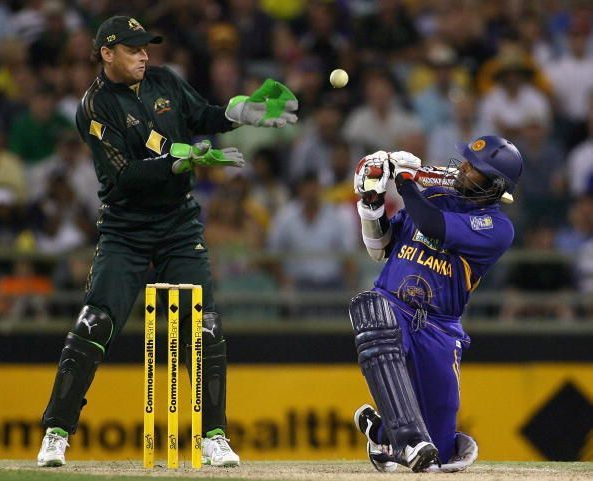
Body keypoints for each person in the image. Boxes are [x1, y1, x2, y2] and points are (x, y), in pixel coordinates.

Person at [36, 15, 298, 468]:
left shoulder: (164, 81)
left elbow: (202, 117)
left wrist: (238, 113)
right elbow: (122, 178)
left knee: (207, 327)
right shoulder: (95, 106)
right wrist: (178, 164)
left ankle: (213, 436)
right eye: (134, 49)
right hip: (126, 230)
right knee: (94, 324)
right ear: (106, 53)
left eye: (146, 48)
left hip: (179, 225)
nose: (145, 55)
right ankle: (57, 432)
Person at [350, 135, 523, 472]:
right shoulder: (433, 195)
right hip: (393, 303)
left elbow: (434, 226)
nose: (463, 169)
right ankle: (408, 439)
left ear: (493, 185)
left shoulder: (497, 228)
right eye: (467, 161)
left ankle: (381, 431)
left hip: (440, 326)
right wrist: (371, 203)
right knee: (376, 315)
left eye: (475, 169)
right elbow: (380, 248)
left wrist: (403, 178)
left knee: (440, 452)